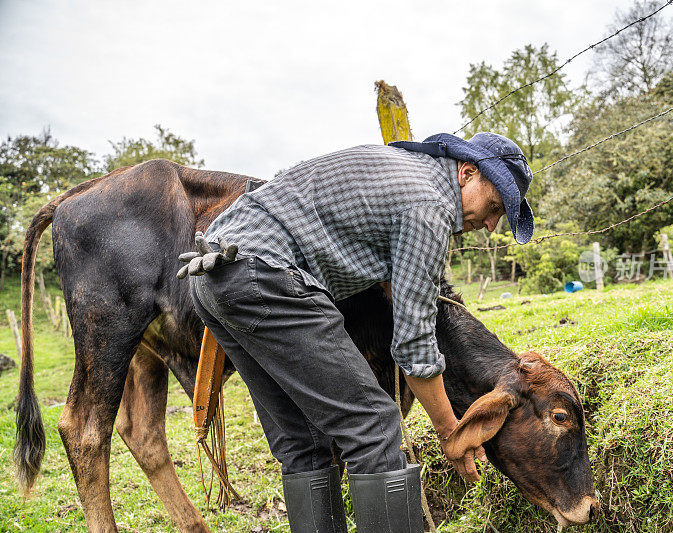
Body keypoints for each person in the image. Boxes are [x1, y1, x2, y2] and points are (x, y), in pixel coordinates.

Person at [182, 132, 534, 533]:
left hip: (213, 272)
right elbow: (415, 345)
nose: (490, 225)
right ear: (467, 173)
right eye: (493, 207)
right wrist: (449, 430)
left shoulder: (402, 170)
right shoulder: (429, 207)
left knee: (302, 440)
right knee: (374, 426)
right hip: (265, 273)